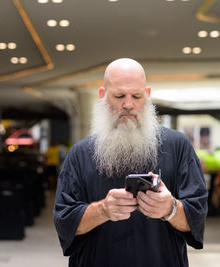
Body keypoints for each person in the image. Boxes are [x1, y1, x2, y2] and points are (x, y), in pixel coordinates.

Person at [53, 58, 208, 267]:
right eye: (119, 96)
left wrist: (169, 209)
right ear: (102, 95)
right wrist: (103, 210)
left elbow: (196, 218)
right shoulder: (80, 153)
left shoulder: (177, 145)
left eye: (136, 96)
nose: (128, 104)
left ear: (148, 95)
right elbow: (64, 223)